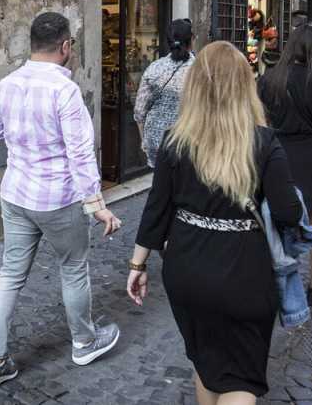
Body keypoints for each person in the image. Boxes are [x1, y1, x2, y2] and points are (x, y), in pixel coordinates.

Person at [127, 41, 302, 405]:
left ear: (196, 87)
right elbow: (288, 214)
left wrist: (137, 264)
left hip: (186, 270)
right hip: (245, 273)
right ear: (244, 86)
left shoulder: (174, 142)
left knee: (206, 362)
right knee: (240, 375)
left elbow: (156, 210)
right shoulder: (265, 143)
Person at [0, 12, 122, 390]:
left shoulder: (7, 84)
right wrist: (97, 205)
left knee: (9, 275)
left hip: (16, 194)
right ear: (65, 46)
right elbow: (80, 152)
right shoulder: (65, 91)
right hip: (57, 198)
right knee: (73, 269)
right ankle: (85, 342)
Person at [257, 25, 312, 306]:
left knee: (272, 221)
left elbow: (261, 123)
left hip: (275, 157)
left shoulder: (268, 80)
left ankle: (271, 280)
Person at [134, 19, 195, 169]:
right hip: (187, 143)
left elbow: (139, 111)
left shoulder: (154, 68)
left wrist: (144, 141)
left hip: (156, 142)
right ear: (191, 41)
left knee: (161, 185)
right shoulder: (199, 70)